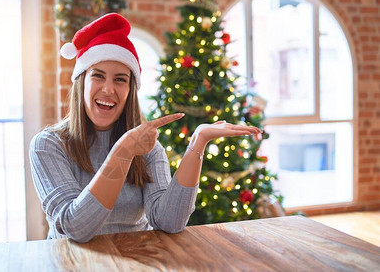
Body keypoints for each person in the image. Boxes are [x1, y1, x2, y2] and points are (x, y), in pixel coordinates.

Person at [29, 13, 260, 243]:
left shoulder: (146, 146)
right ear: (82, 82)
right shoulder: (48, 145)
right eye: (98, 76)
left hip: (134, 259)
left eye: (120, 79)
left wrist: (197, 143)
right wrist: (123, 152)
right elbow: (75, 227)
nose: (108, 89)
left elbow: (168, 222)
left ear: (131, 91)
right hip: (71, 263)